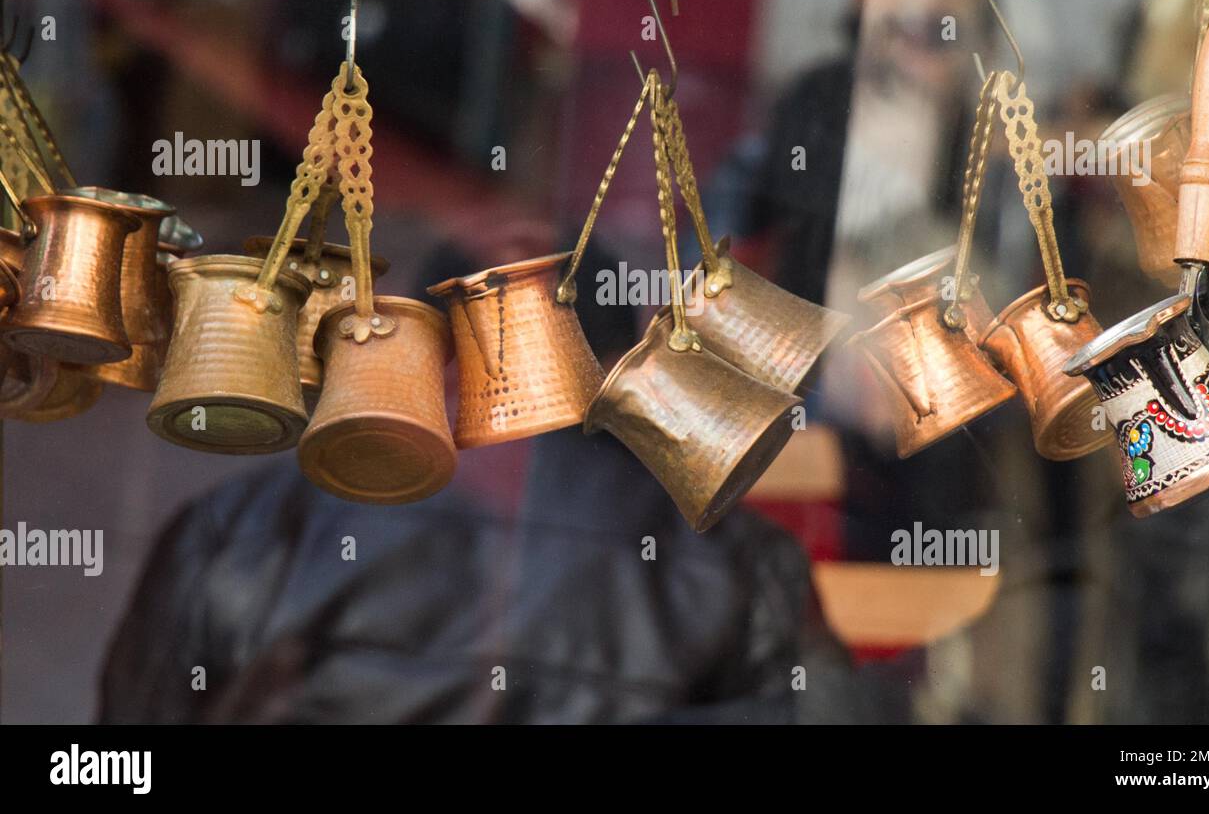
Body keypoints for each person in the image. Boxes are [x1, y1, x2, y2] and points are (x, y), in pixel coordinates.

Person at [98, 236, 863, 724]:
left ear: (426, 361)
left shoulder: (247, 534)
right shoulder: (744, 569)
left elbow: (118, 758)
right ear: (611, 368)